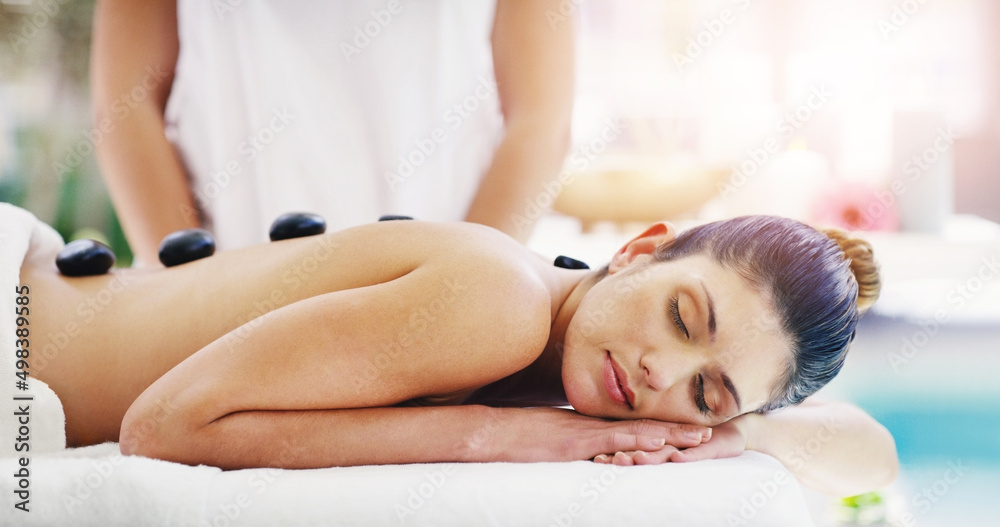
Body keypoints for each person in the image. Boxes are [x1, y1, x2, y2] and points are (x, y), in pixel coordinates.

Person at [25, 213, 897, 497]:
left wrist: (735, 434)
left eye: (708, 390)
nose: (663, 373)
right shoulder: (502, 303)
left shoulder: (548, 333)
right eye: (681, 314)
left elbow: (871, 451)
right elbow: (161, 428)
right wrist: (495, 436)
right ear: (639, 248)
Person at [90, 0, 574, 264]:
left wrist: (468, 302)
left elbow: (539, 122)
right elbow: (126, 106)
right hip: (225, 292)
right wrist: (186, 289)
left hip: (438, 291)